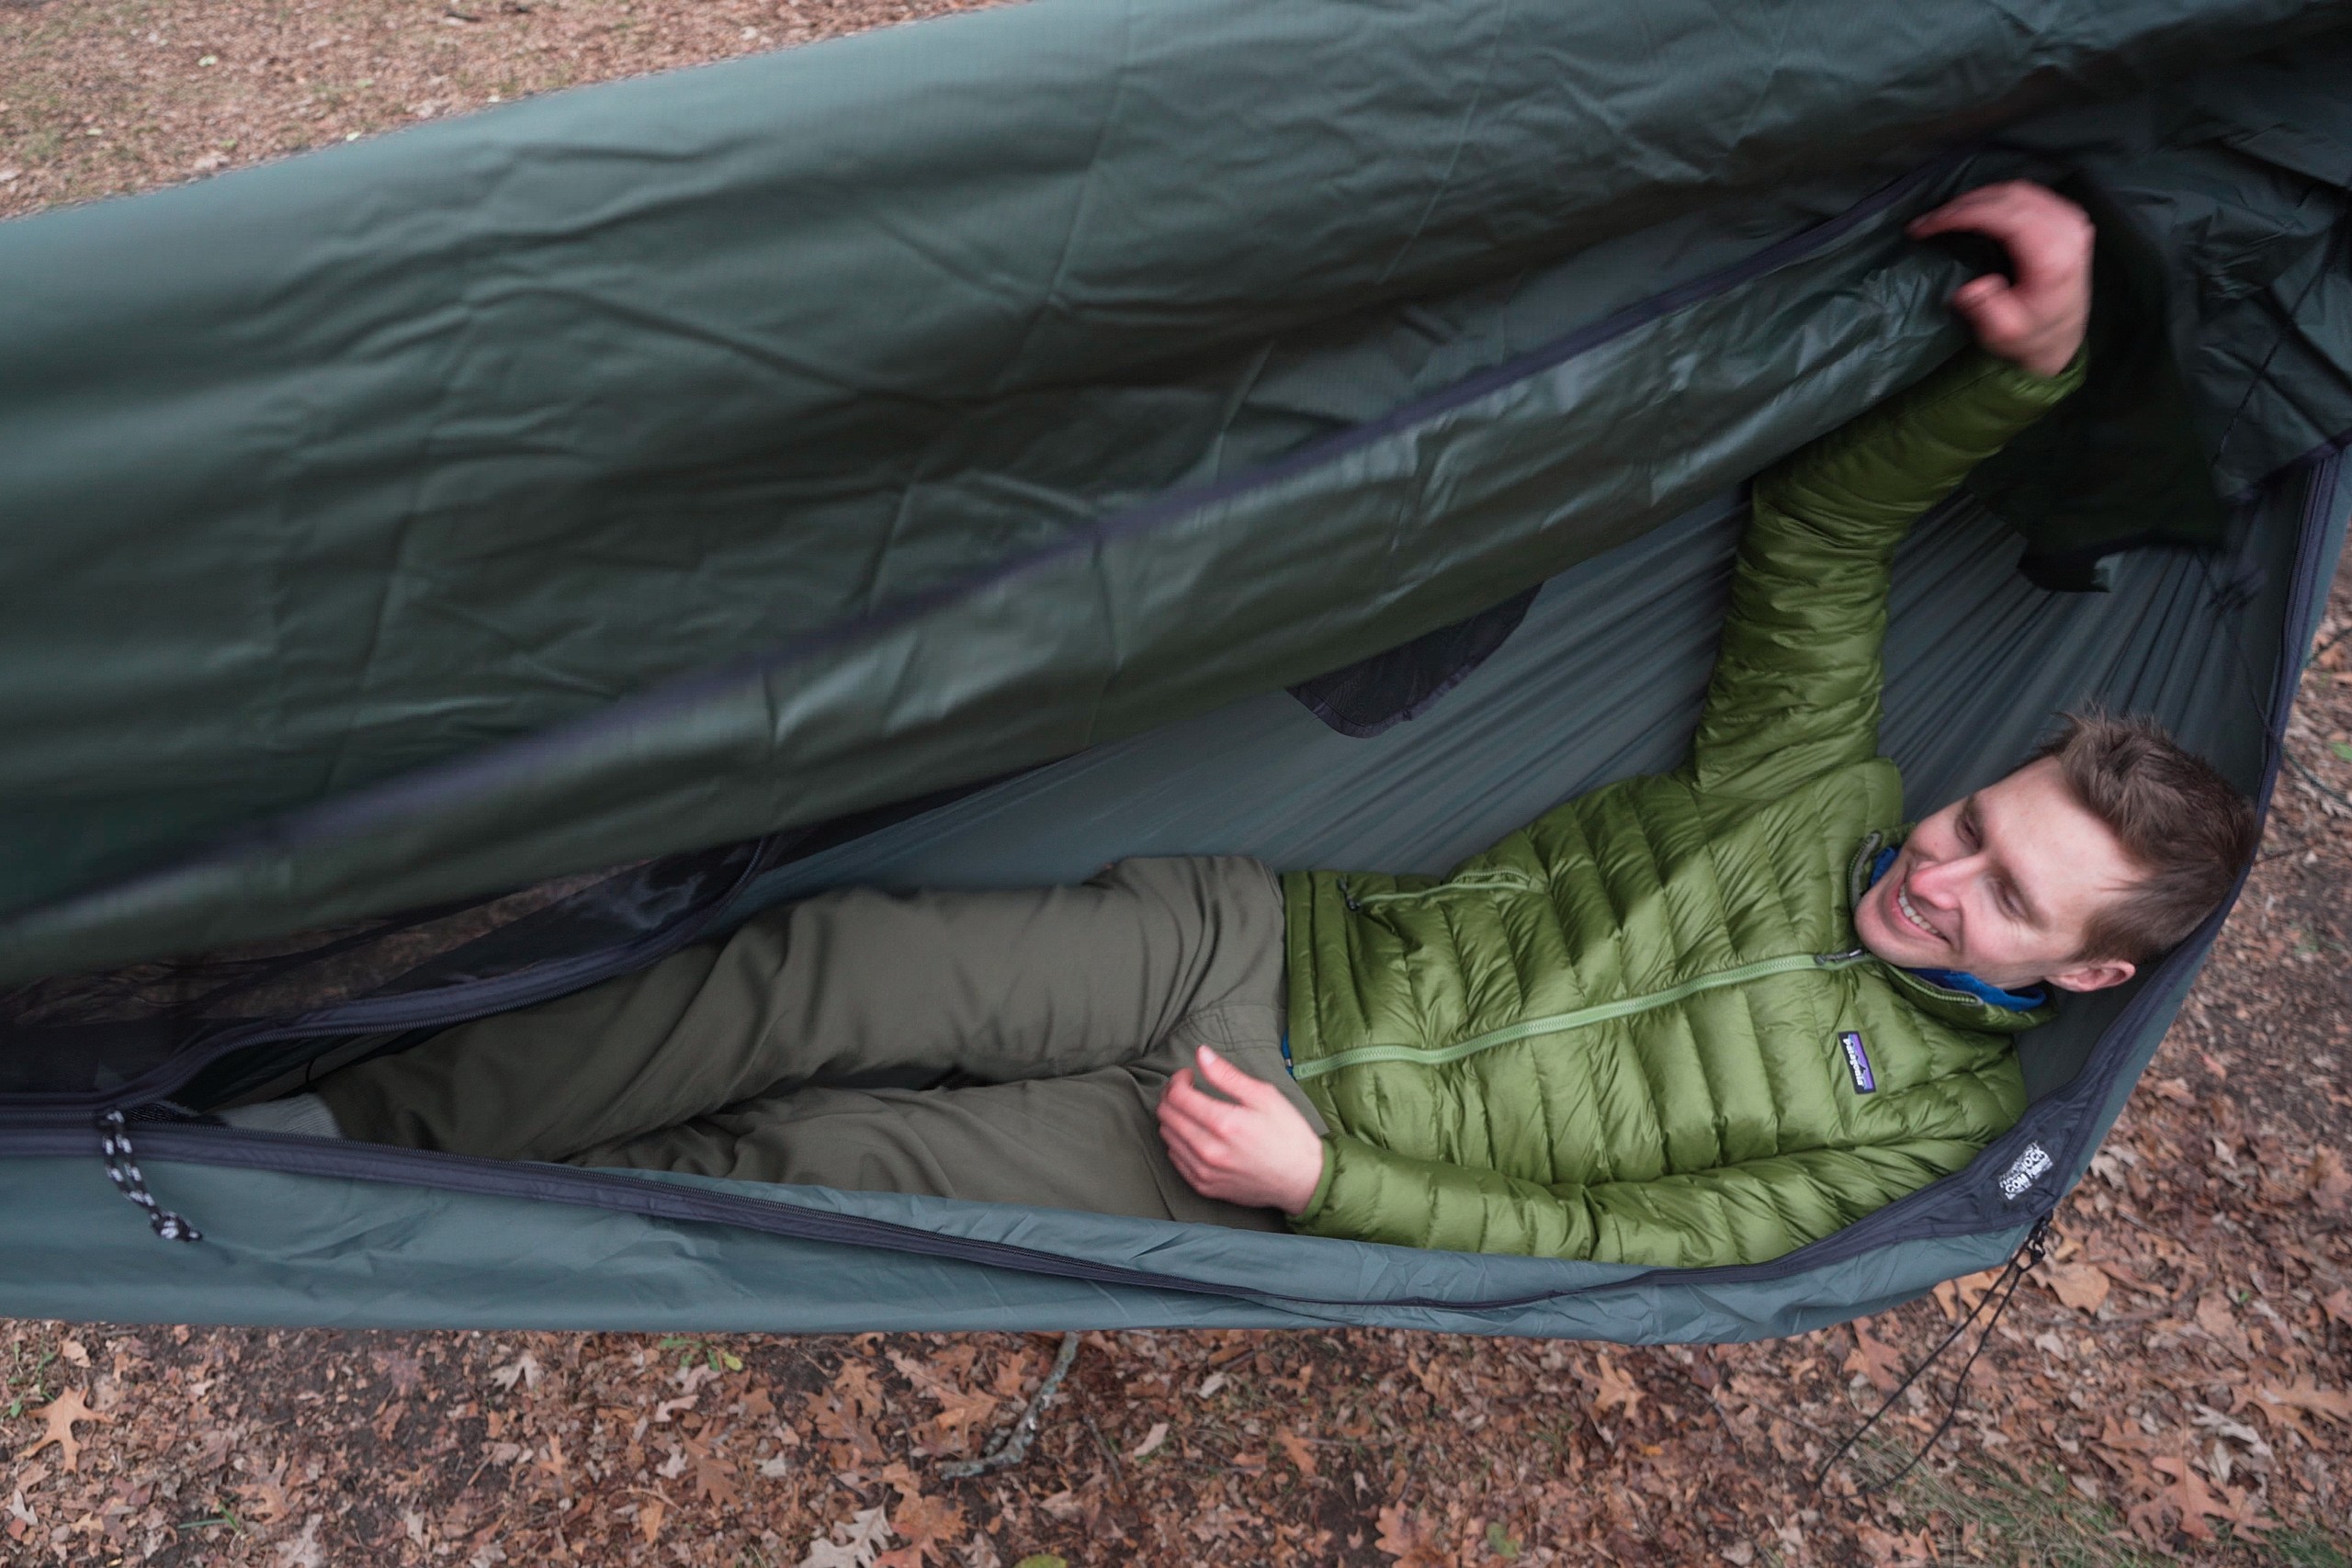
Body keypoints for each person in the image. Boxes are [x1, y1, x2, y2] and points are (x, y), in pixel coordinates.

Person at [220, 181, 2258, 1266]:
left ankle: (420, 1224)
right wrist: (2022, 371)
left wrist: (1331, 1188)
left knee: (824, 1158)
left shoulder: (1922, 1125)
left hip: (1275, 1150)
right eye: (1971, 823)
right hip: (1256, 939)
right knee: (814, 963)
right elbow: (1819, 531)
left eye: (2004, 898)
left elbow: (1639, 1235)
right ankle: (338, 1136)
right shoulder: (1817, 794)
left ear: (2082, 972)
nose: (1936, 868)